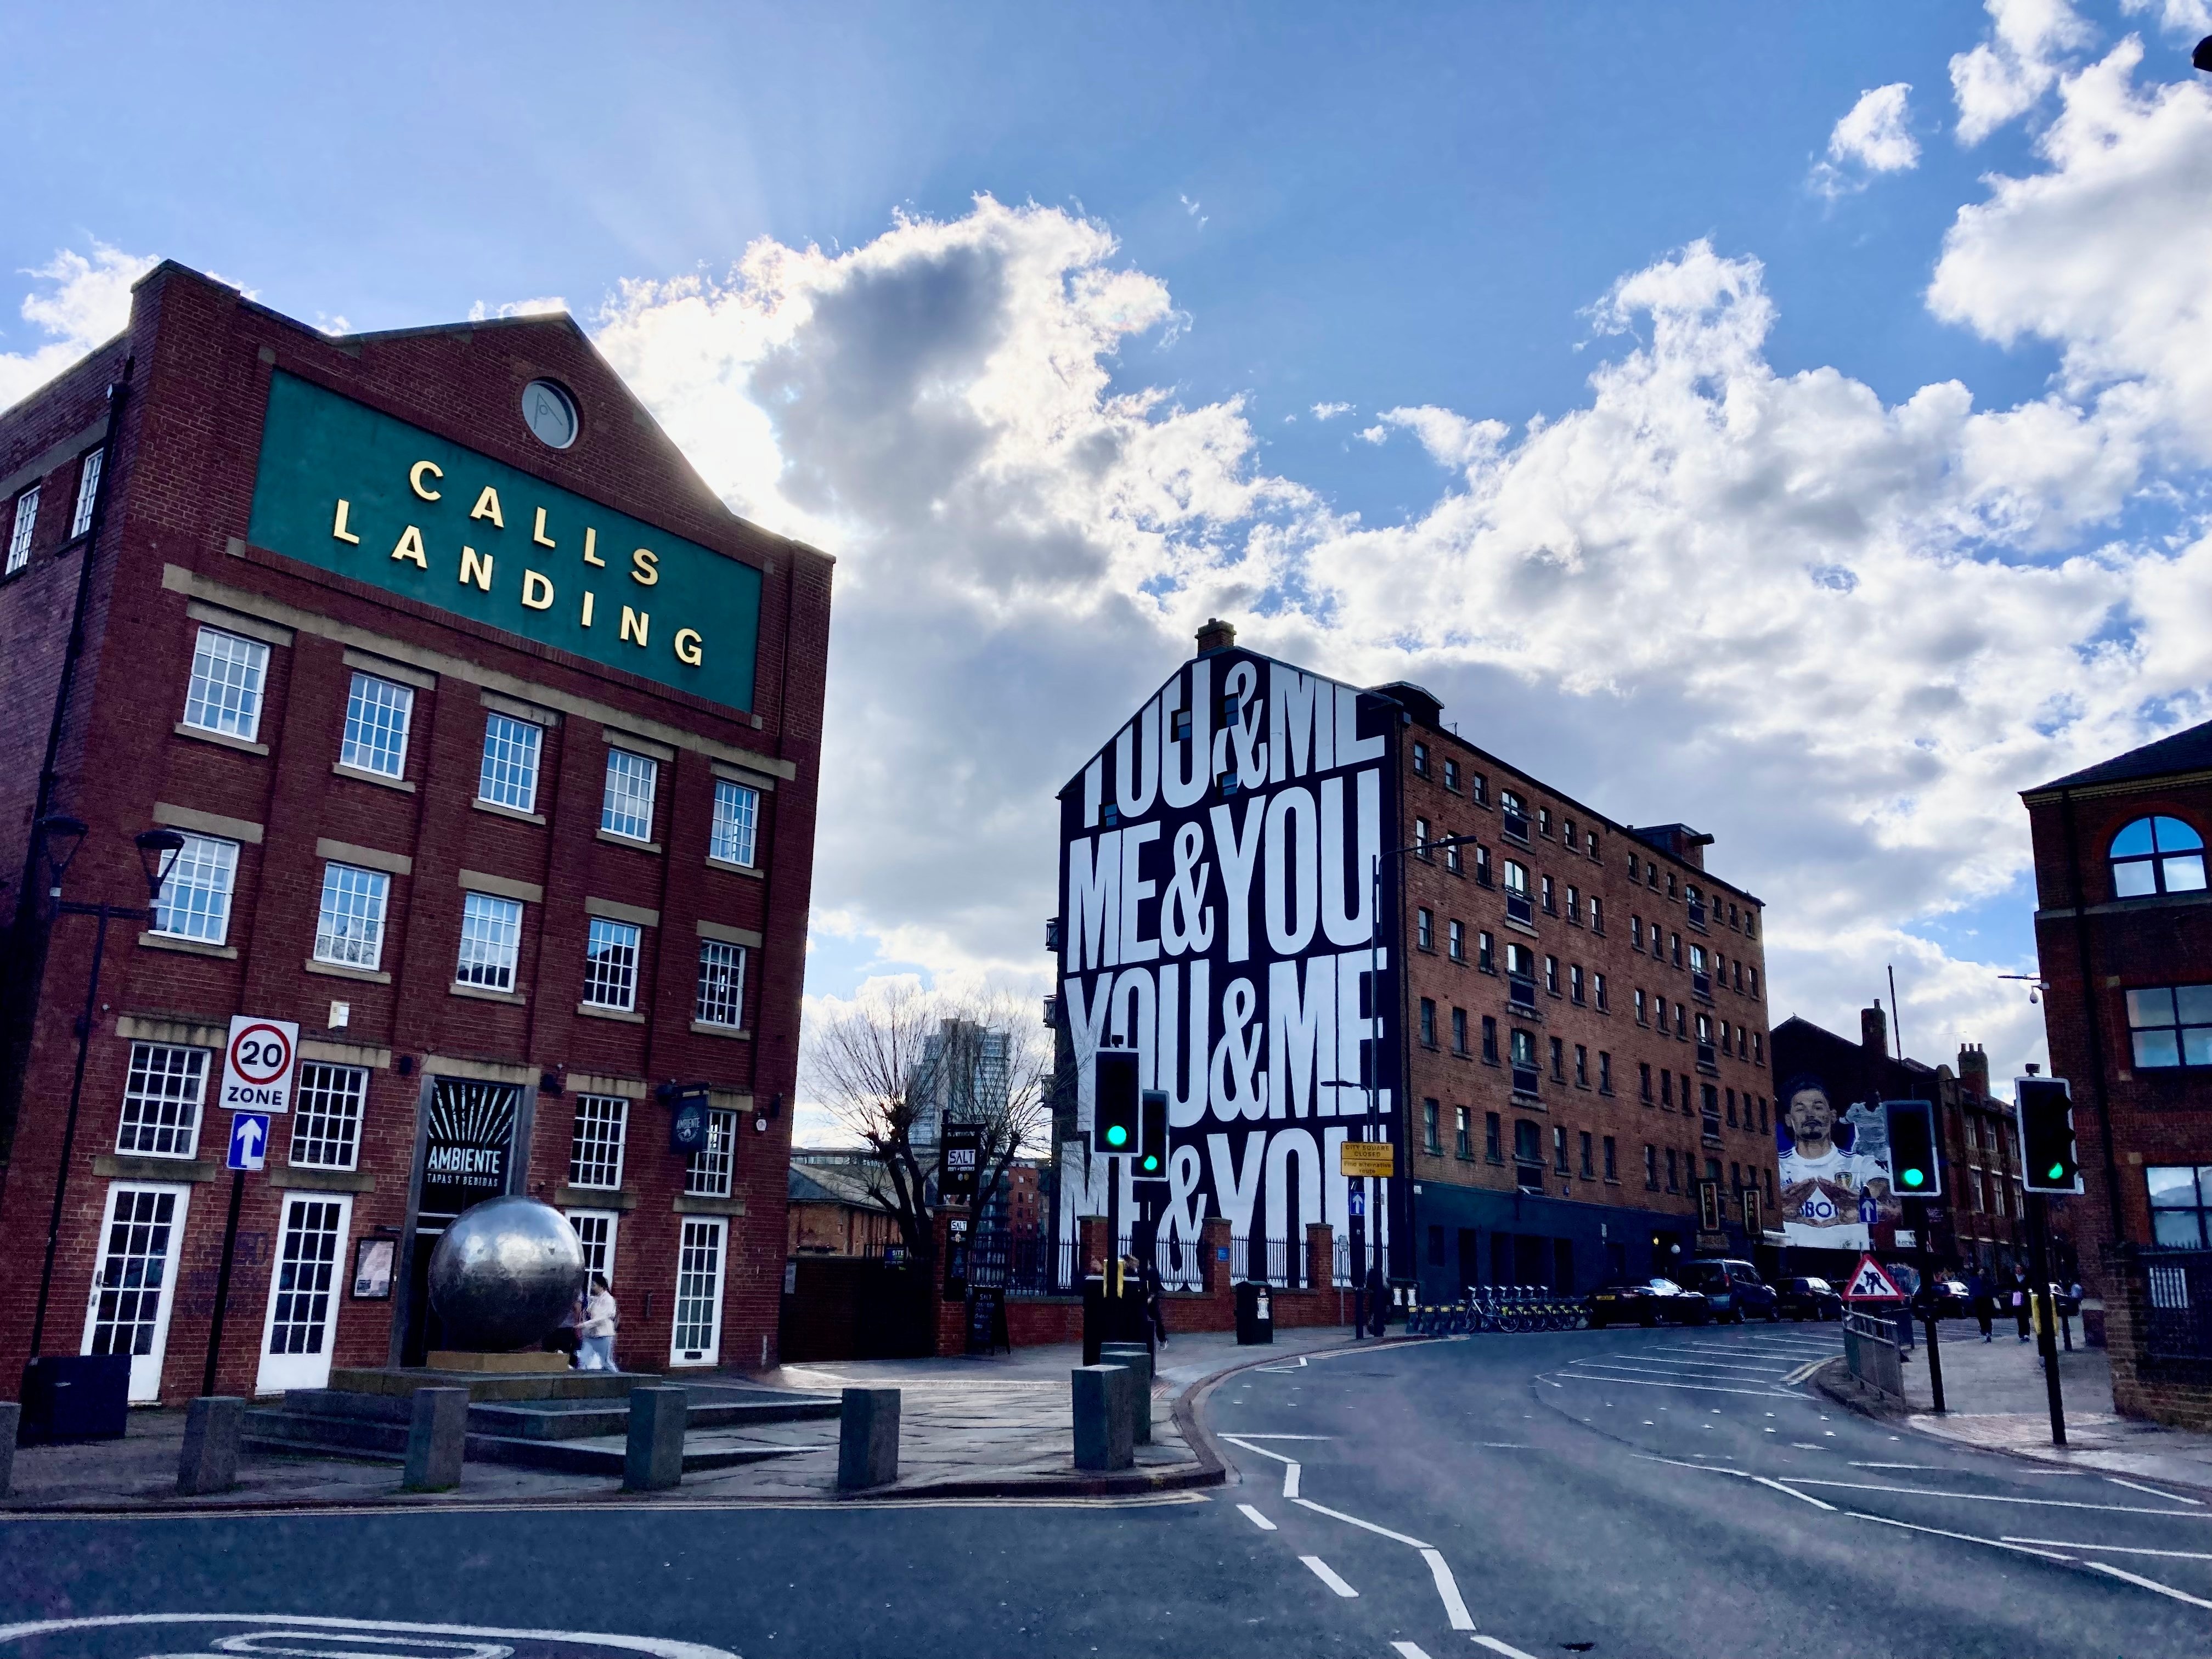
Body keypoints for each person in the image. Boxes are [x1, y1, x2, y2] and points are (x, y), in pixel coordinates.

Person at [578, 1272, 618, 1372]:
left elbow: (602, 1319)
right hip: (590, 1335)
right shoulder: (594, 1299)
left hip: (604, 1335)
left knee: (606, 1362)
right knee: (583, 1360)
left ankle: (618, 1379)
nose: (592, 1288)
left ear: (601, 1286)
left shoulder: (608, 1300)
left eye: (594, 1285)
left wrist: (584, 1325)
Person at [1967, 1268, 1994, 1341]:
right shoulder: (1975, 1280)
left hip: (1986, 1299)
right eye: (1980, 1271)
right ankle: (1984, 1331)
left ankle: (1988, 1332)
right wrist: (1971, 1295)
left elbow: (1992, 1289)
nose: (1981, 1272)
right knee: (1980, 1317)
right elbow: (1972, 1289)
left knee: (1987, 1317)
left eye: (1983, 1271)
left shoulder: (1988, 1280)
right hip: (1978, 1299)